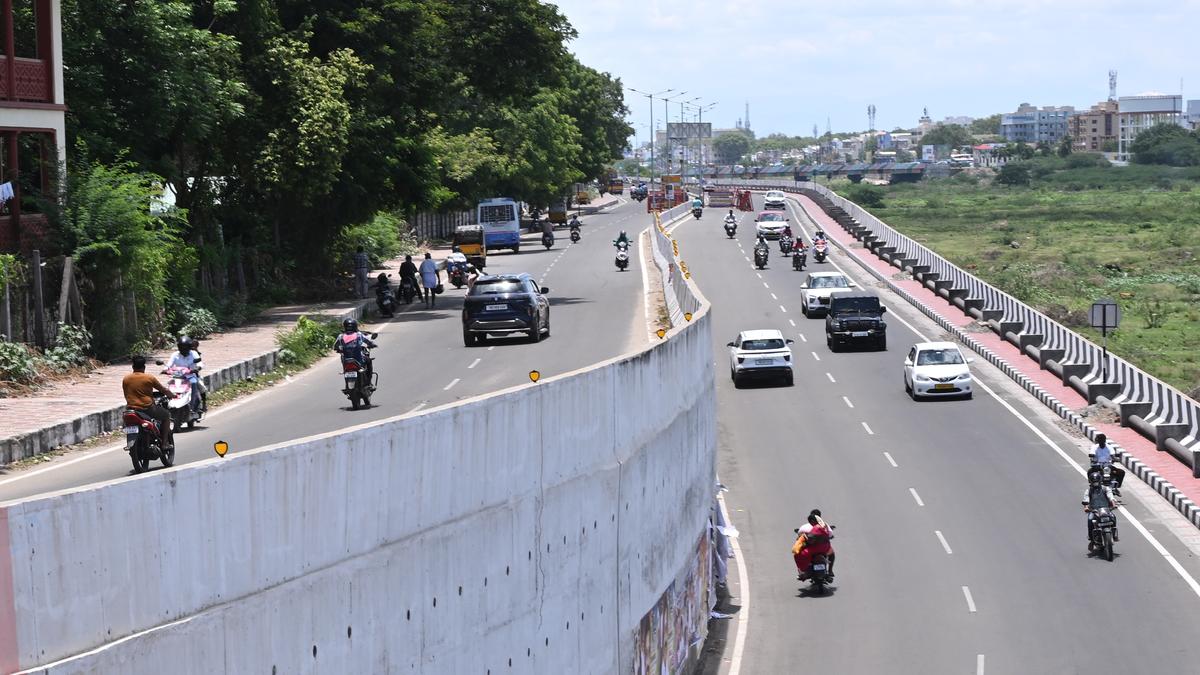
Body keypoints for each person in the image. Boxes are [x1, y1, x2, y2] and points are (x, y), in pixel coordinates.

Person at [123, 355, 175, 450]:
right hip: (147, 409)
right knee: (166, 415)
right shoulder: (149, 378)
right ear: (144, 367)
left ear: (133, 367)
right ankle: (164, 444)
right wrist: (172, 395)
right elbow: (163, 390)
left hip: (130, 409)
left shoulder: (126, 379)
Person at [164, 335, 206, 415]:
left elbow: (200, 363)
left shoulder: (193, 353)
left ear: (189, 347)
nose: (183, 348)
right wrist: (165, 370)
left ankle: (193, 405)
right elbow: (169, 364)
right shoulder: (175, 354)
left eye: (185, 347)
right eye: (181, 347)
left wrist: (197, 368)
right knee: (168, 386)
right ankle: (169, 405)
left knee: (197, 385)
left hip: (191, 376)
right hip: (177, 376)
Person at [333, 318, 378, 384]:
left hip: (346, 361)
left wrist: (338, 349)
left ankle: (346, 377)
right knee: (368, 361)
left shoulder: (341, 336)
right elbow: (368, 341)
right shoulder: (359, 335)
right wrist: (373, 344)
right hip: (359, 360)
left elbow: (335, 346)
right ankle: (369, 381)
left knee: (343, 359)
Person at [792, 512, 834, 580]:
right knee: (832, 552)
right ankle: (830, 571)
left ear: (812, 521)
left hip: (815, 549)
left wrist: (805, 539)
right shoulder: (825, 525)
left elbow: (810, 539)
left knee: (797, 555)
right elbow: (830, 534)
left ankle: (805, 572)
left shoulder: (815, 528)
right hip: (825, 548)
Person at [1082, 472, 1118, 550]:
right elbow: (1086, 500)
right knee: (1090, 520)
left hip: (1105, 509)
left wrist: (1113, 503)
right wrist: (1086, 507)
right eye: (1094, 482)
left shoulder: (1105, 488)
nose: (1095, 483)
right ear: (1090, 481)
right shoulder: (1088, 491)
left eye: (1097, 481)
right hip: (1094, 510)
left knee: (1113, 517)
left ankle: (1114, 534)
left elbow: (1110, 496)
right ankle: (1091, 540)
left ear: (1100, 480)